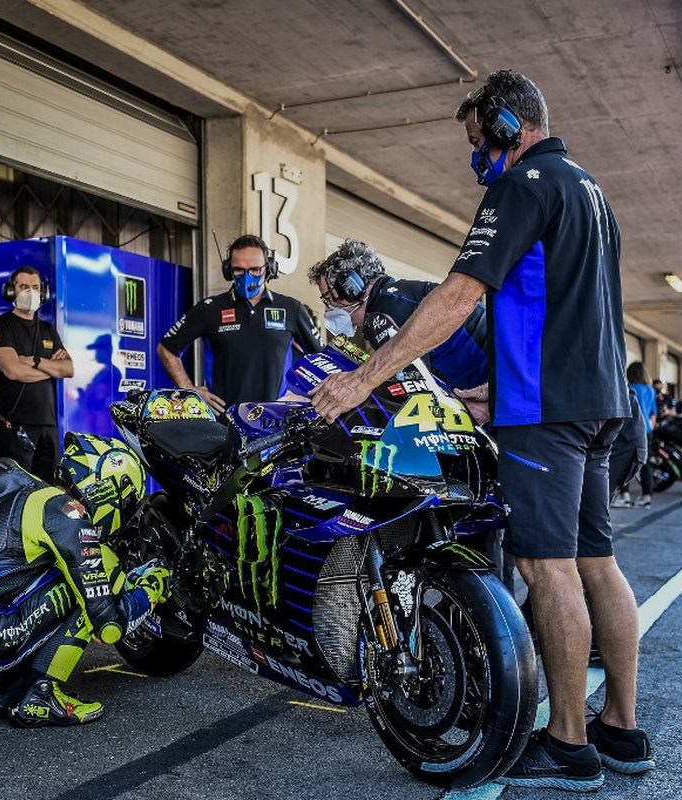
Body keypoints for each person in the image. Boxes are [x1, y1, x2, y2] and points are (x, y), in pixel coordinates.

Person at [309, 69, 651, 790]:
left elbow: (459, 296)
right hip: (601, 403)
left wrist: (362, 378)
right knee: (597, 563)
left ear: (505, 126)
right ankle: (620, 727)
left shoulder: (521, 186)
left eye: (477, 144)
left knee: (545, 569)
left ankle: (566, 744)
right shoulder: (591, 191)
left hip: (546, 413)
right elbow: (571, 307)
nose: (476, 162)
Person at [0, 433, 171, 727]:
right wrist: (151, 588)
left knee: (49, 567)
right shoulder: (66, 515)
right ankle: (40, 695)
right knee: (96, 576)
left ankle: (13, 688)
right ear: (109, 491)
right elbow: (109, 627)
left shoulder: (10, 481)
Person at [158, 234, 323, 413]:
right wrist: (190, 391)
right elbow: (166, 349)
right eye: (239, 270)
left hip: (275, 421)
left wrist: (300, 394)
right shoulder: (209, 309)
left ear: (269, 268)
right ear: (228, 270)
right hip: (223, 423)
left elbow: (321, 360)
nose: (247, 276)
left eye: (254, 269)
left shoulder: (291, 309)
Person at [307, 238, 488, 391]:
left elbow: (417, 385)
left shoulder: (383, 315)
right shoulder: (395, 297)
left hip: (491, 384)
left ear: (352, 287)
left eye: (332, 298)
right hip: (492, 383)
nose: (330, 307)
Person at [0, 266, 74, 482]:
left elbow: (68, 369)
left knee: (49, 488)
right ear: (11, 291)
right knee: (17, 488)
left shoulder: (48, 329)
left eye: (35, 287)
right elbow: (13, 370)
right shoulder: (1, 325)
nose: (30, 292)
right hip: (16, 425)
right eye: (24, 287)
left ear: (43, 293)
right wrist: (50, 369)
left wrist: (35, 361)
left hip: (48, 424)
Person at [614, 362, 657, 508]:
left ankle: (624, 495)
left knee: (622, 462)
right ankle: (646, 497)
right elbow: (653, 413)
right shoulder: (651, 390)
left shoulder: (631, 388)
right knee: (646, 465)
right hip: (647, 431)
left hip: (630, 429)